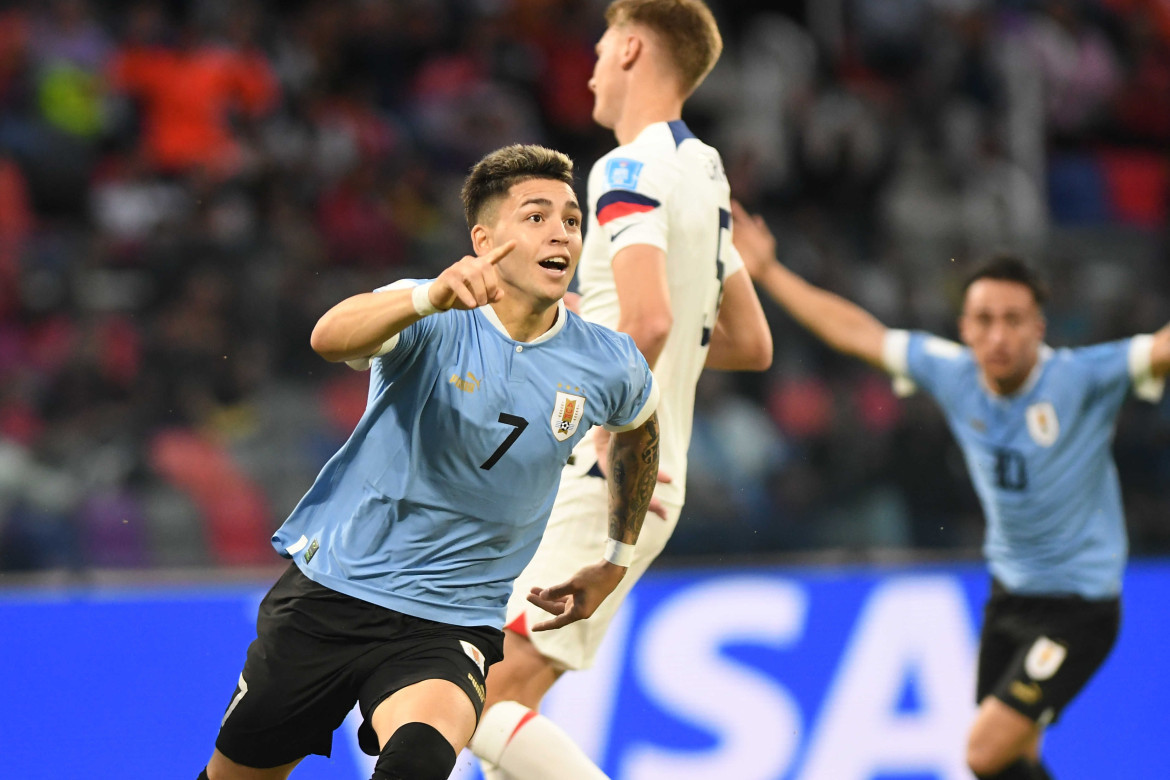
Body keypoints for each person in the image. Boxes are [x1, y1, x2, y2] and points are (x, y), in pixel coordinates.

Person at [197, 144, 664, 780]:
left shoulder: (606, 360)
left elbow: (639, 433)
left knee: (417, 760)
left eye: (573, 219)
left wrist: (614, 560)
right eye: (536, 216)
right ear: (485, 237)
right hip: (333, 592)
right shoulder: (433, 311)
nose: (561, 232)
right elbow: (329, 336)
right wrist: (425, 299)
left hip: (450, 623)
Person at [730, 202, 1170, 780]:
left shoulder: (1082, 379)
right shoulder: (953, 372)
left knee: (981, 751)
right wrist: (769, 273)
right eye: (984, 319)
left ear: (1039, 328)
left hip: (1080, 608)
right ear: (963, 327)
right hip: (1010, 597)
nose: (998, 334)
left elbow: (1161, 348)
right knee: (1015, 759)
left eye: (1014, 319)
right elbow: (859, 333)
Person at [470, 3, 772, 779]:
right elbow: (746, 341)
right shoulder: (704, 174)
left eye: (602, 47)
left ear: (632, 47)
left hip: (603, 471)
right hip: (646, 479)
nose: (592, 65)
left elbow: (648, 321)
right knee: (499, 700)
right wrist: (591, 321)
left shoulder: (625, 169)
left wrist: (589, 408)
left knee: (471, 695)